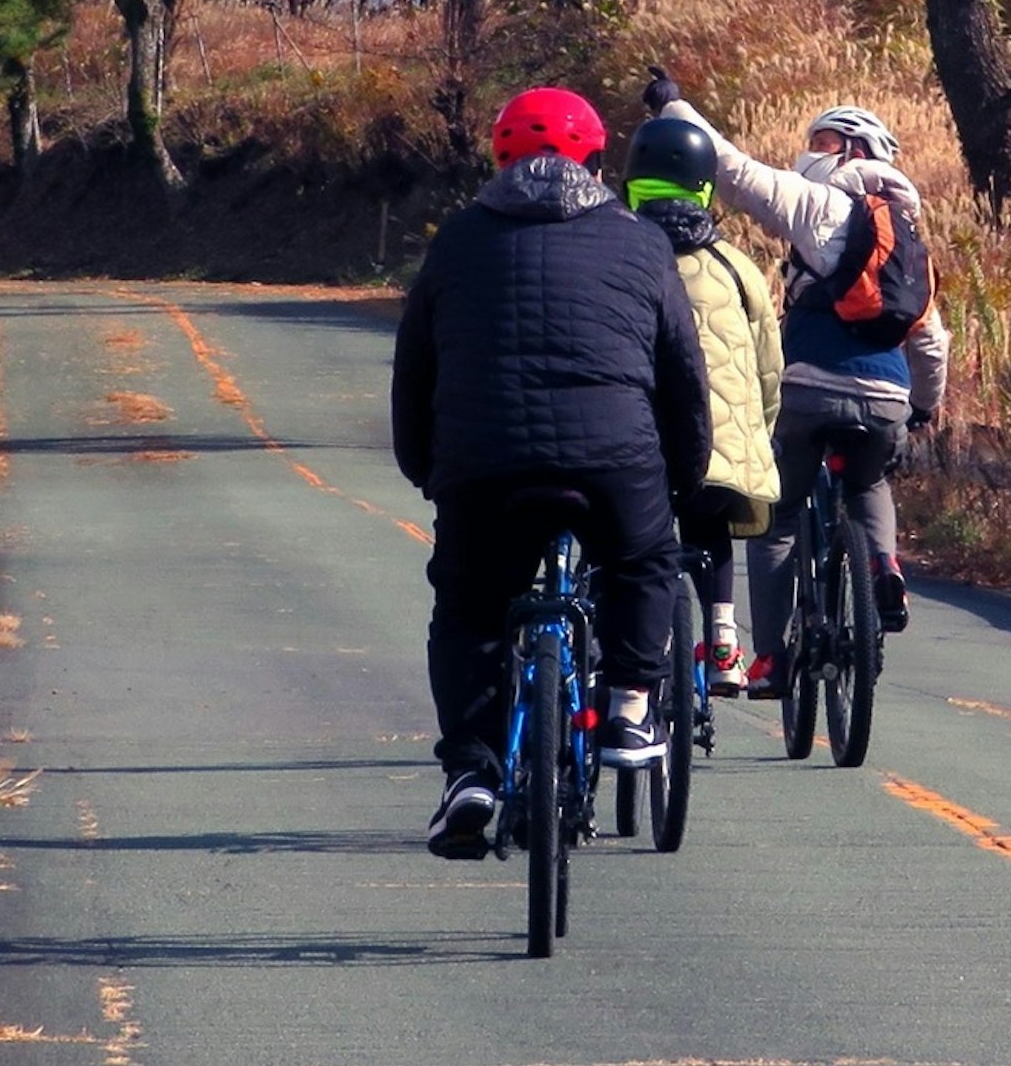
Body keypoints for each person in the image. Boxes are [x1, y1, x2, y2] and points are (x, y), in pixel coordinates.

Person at [391, 84, 709, 860]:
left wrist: (427, 468)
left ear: (498, 157)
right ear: (598, 161)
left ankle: (470, 771)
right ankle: (631, 705)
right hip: (613, 458)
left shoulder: (459, 240)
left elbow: (415, 372)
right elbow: (683, 377)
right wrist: (684, 475)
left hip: (483, 466)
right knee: (643, 564)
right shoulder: (640, 243)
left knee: (468, 609)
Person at [637, 77, 945, 689]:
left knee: (776, 521)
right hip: (886, 394)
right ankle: (885, 566)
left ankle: (773, 656)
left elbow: (730, 167)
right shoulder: (910, 236)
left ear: (855, 153)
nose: (811, 150)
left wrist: (672, 104)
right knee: (870, 480)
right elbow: (931, 340)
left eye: (824, 140)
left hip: (807, 384)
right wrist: (921, 409)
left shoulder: (818, 203)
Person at [624, 111, 781, 695]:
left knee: (628, 535)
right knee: (709, 524)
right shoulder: (736, 267)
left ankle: (627, 648)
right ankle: (723, 644)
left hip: (636, 441)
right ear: (706, 188)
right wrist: (758, 434)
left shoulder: (619, 256)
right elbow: (769, 367)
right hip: (721, 442)